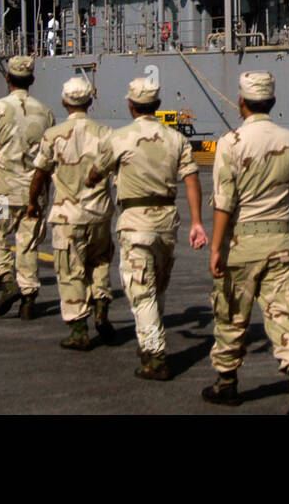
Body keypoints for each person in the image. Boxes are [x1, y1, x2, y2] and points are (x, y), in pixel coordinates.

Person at [204, 71, 289, 413]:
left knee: (231, 314)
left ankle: (227, 384)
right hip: (282, 238)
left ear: (241, 102)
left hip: (243, 241)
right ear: (273, 101)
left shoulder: (231, 142)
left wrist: (216, 248)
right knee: (285, 314)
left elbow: (225, 201)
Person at [87, 75, 208, 379]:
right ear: (157, 104)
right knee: (158, 287)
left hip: (136, 222)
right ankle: (150, 336)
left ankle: (154, 355)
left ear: (131, 105)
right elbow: (192, 180)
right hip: (168, 221)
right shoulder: (176, 139)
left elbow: (94, 173)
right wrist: (196, 222)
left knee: (142, 291)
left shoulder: (119, 138)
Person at [27, 77, 116, 348]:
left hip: (68, 215)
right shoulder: (107, 133)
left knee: (70, 270)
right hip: (99, 212)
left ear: (64, 102)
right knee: (99, 262)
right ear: (90, 101)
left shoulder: (53, 135)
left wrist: (33, 202)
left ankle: (79, 329)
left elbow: (40, 172)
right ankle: (101, 309)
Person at [0, 56, 54, 320]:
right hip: (33, 194)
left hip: (3, 196)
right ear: (31, 81)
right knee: (28, 242)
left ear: (7, 78)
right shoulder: (46, 112)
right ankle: (29, 298)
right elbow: (49, 159)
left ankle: (7, 280)